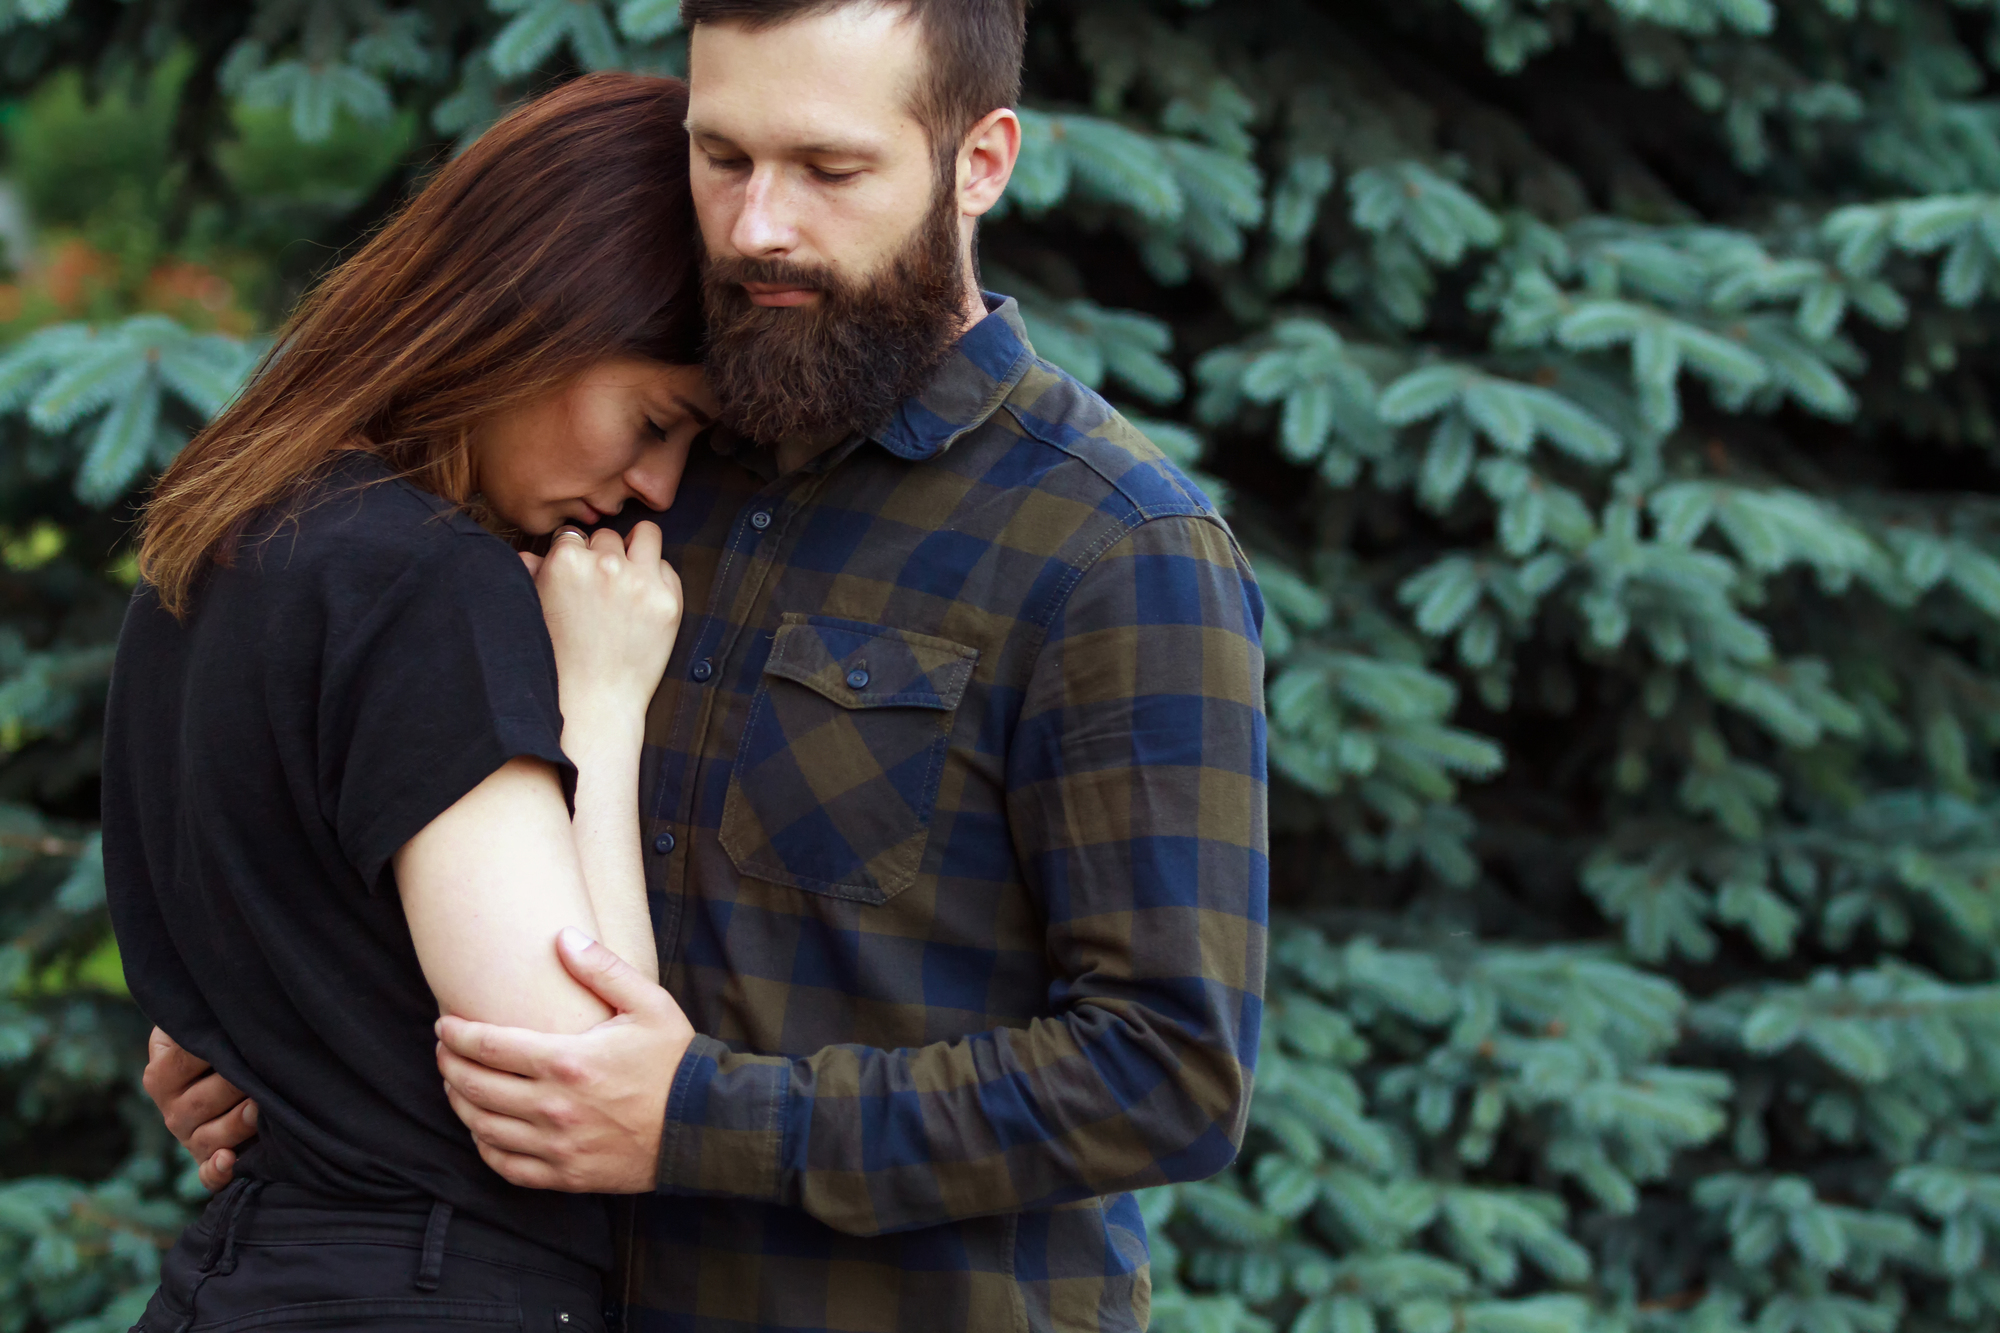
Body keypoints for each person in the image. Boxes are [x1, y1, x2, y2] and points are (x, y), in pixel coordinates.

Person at [146, 1, 1272, 1330]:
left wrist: (707, 1122)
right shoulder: (612, 462)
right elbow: (423, 789)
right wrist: (271, 1027)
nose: (756, 227)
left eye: (829, 170)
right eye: (721, 156)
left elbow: (1169, 1070)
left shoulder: (1110, 546)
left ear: (981, 162)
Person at [103, 73, 714, 1332]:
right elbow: (573, 1069)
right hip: (420, 1284)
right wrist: (598, 698)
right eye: (655, 419)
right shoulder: (431, 579)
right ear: (541, 311)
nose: (654, 486)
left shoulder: (224, 538)